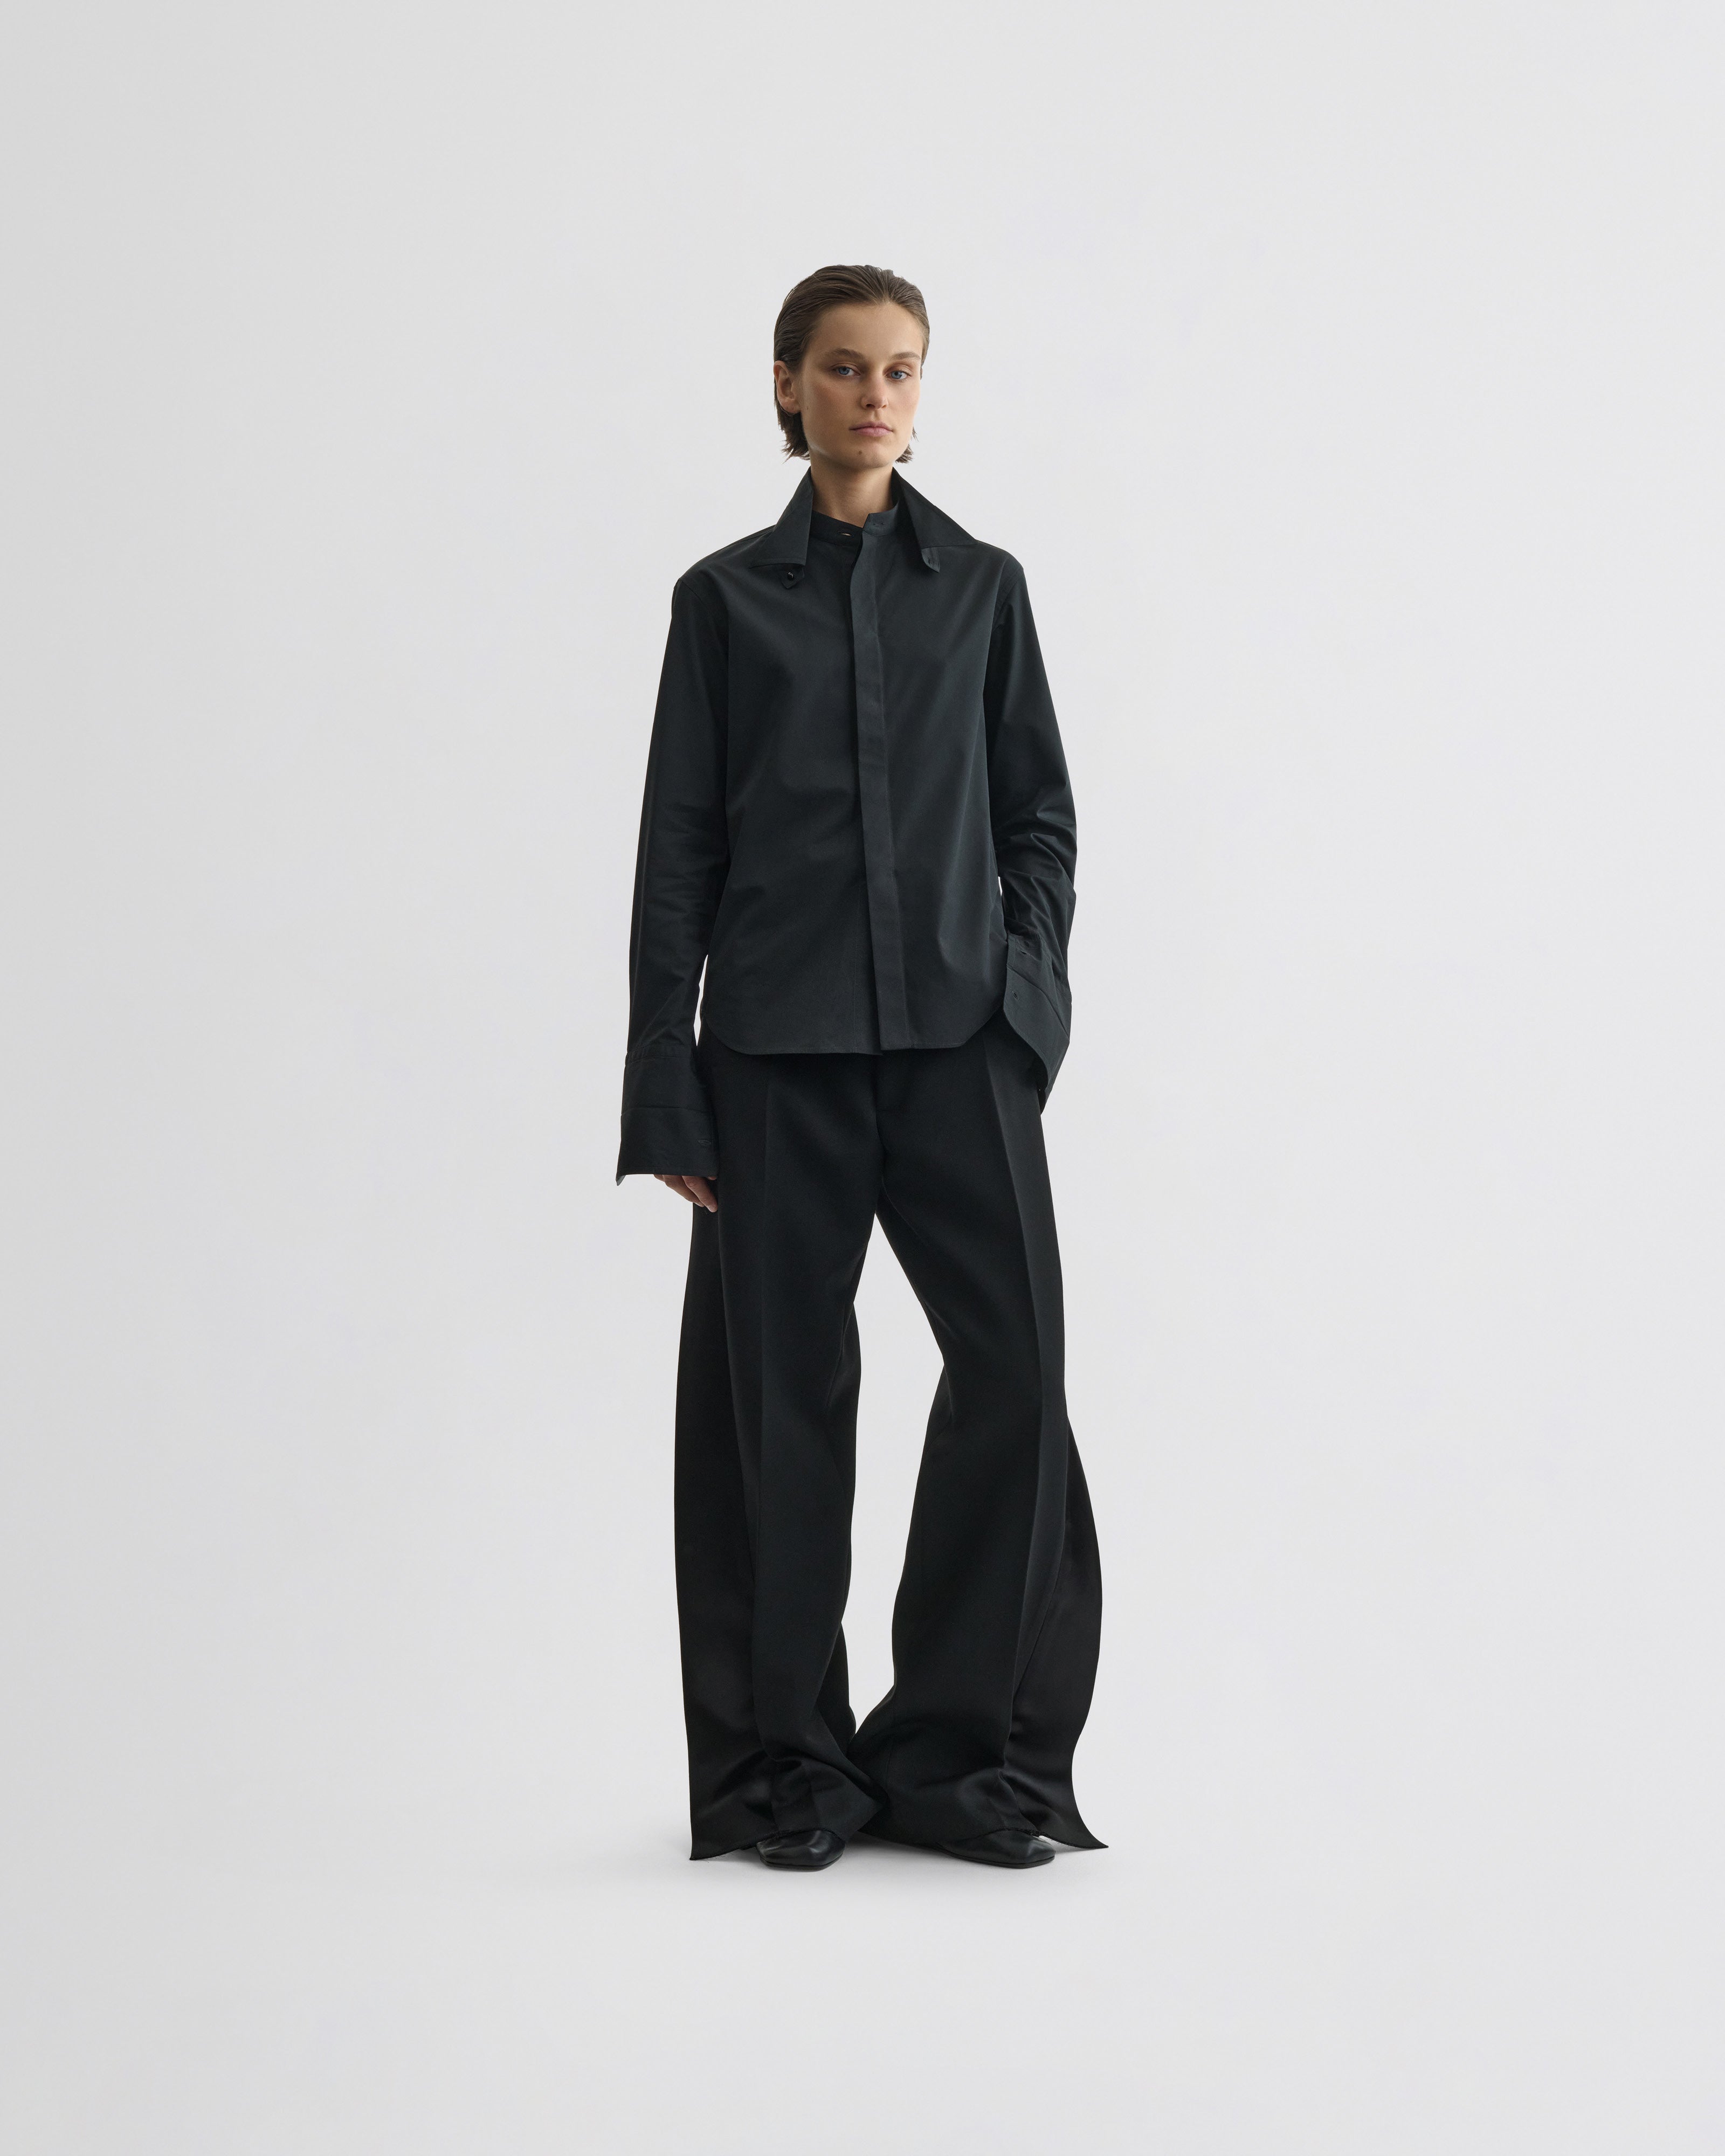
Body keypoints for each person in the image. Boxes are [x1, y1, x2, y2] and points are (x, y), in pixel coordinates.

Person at [618, 264, 1102, 1871]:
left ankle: (967, 1765)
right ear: (787, 386)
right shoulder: (721, 603)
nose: (874, 395)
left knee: (1017, 1378)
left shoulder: (985, 590)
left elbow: (1039, 816)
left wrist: (1026, 999)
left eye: (899, 369)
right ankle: (793, 1775)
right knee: (780, 1415)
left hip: (964, 1051)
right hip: (775, 1061)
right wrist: (667, 1083)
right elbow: (677, 858)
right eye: (842, 368)